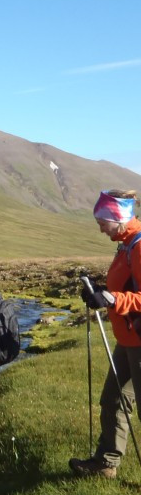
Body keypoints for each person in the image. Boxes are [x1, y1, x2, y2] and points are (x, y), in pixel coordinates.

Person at [70, 189, 141, 479]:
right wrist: (101, 292)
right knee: (113, 399)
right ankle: (105, 464)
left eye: (102, 220)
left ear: (118, 217)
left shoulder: (138, 246)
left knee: (120, 400)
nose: (99, 226)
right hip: (129, 340)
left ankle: (106, 462)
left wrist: (113, 300)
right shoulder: (126, 244)